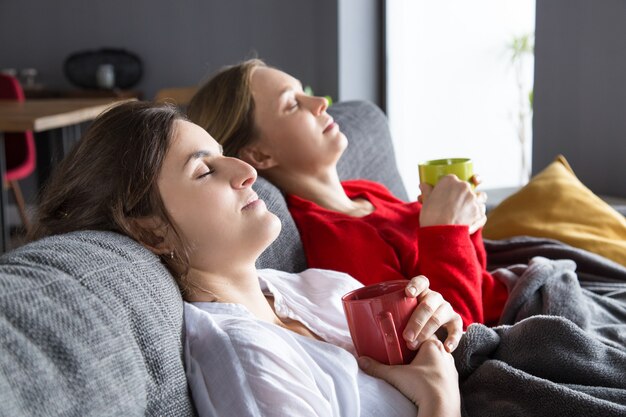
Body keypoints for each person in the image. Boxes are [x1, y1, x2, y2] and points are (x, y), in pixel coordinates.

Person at [29, 101, 461, 417]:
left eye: (223, 155)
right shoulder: (246, 362)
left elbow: (430, 357)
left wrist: (434, 329)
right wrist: (441, 402)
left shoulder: (315, 287)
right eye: (204, 171)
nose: (246, 171)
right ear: (151, 230)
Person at [187, 59, 509, 329]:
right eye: (292, 104)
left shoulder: (367, 192)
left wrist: (467, 225)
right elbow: (454, 337)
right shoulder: (336, 243)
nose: (320, 103)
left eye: (305, 93)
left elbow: (476, 281)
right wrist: (446, 231)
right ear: (258, 156)